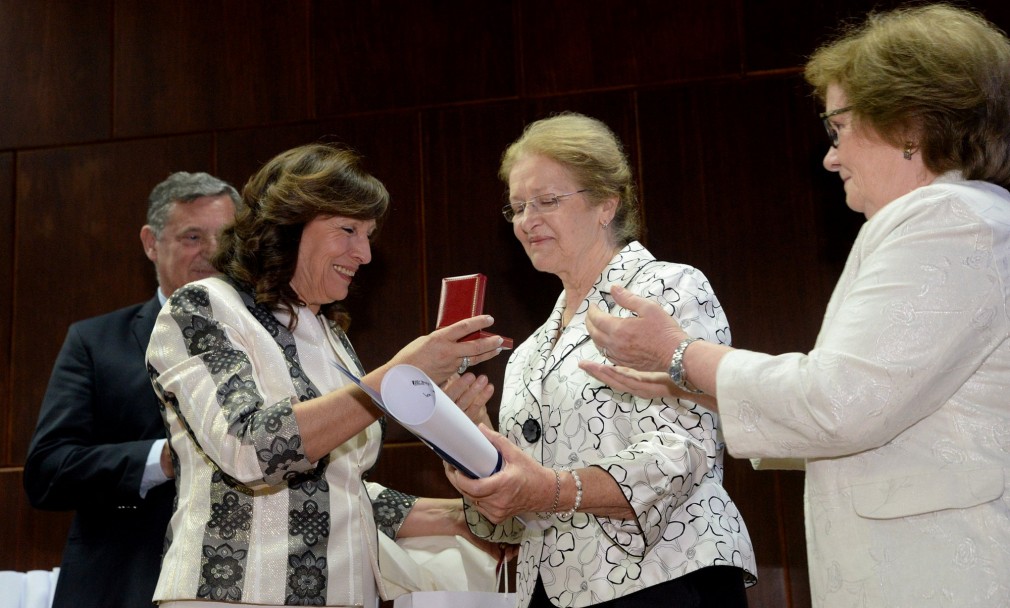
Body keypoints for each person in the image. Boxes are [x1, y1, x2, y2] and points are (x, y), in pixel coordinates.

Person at [580, 5, 1010, 607]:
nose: (831, 157)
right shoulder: (965, 219)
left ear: (909, 123)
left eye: (838, 127)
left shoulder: (945, 219)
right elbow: (860, 409)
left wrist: (681, 353)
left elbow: (839, 403)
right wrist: (687, 383)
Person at [145, 142, 505, 607]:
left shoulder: (331, 336)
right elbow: (250, 450)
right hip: (237, 596)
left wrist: (469, 509)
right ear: (288, 226)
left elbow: (341, 488)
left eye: (368, 234)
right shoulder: (204, 306)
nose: (365, 254)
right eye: (348, 229)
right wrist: (397, 378)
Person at [444, 112, 757, 608]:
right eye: (517, 207)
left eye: (547, 201)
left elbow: (685, 451)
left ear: (605, 204)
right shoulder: (527, 354)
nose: (527, 221)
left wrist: (551, 489)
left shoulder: (667, 289)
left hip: (663, 579)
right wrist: (467, 439)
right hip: (548, 592)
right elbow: (506, 517)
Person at [23, 171, 241, 608]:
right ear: (150, 243)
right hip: (126, 585)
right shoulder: (95, 342)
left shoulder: (270, 339)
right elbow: (48, 471)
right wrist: (164, 458)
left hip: (247, 586)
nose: (213, 253)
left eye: (227, 237)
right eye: (193, 237)